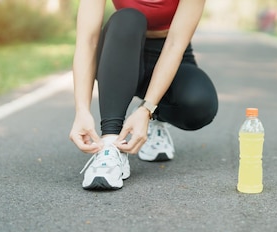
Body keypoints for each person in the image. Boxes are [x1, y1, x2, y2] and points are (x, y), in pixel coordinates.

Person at [69, 0, 218, 190]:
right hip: (119, 51)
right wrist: (81, 110)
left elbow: (174, 45)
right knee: (128, 19)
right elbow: (87, 40)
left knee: (199, 105)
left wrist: (147, 109)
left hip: (169, 52)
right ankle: (110, 145)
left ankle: (151, 117)